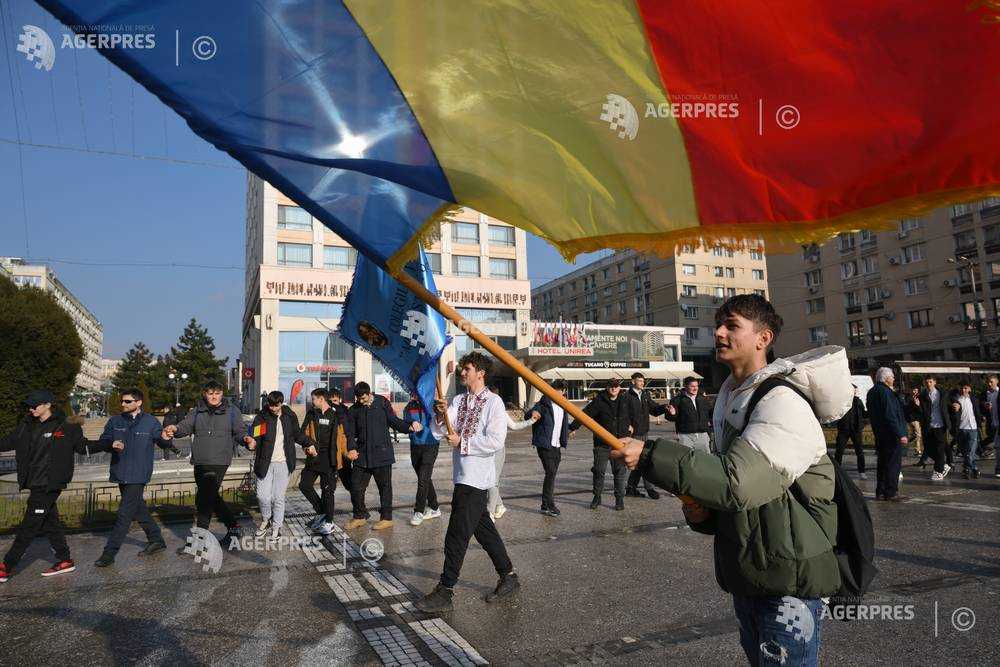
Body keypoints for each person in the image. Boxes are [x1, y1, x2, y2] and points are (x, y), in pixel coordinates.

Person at [613, 294, 840, 665]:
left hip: (789, 582)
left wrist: (651, 454)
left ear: (762, 338)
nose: (717, 332)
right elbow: (732, 494)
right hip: (752, 572)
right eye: (718, 324)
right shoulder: (731, 399)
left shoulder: (781, 401)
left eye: (731, 325)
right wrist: (701, 512)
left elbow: (737, 484)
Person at [415, 352, 518, 612]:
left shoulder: (494, 403)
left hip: (477, 480)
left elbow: (496, 441)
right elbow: (442, 431)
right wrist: (439, 416)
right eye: (462, 368)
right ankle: (509, 575)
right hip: (462, 476)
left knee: (456, 536)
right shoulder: (459, 400)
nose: (462, 372)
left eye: (467, 369)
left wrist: (464, 442)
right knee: (484, 531)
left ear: (481, 373)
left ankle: (445, 590)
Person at [0, 390, 87, 582]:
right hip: (33, 481)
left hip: (50, 483)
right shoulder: (26, 426)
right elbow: (6, 442)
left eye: (35, 405)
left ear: (48, 404)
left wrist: (111, 444)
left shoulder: (66, 426)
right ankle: (65, 560)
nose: (31, 409)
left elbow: (83, 447)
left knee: (29, 526)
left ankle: (6, 566)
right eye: (29, 406)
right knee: (50, 522)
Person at [90, 388, 178, 567]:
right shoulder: (115, 421)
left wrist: (166, 437)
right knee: (138, 509)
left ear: (138, 403)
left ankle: (109, 553)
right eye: (122, 401)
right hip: (120, 471)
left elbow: (162, 442)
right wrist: (110, 444)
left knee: (124, 514)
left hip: (139, 473)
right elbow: (103, 441)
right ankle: (156, 540)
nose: (123, 404)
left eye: (128, 401)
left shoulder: (150, 422)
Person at [163, 381, 254, 551]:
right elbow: (185, 427)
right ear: (205, 394)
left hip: (219, 460)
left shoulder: (232, 411)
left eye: (217, 393)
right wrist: (174, 428)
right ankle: (234, 528)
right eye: (210, 393)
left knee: (204, 500)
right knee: (211, 497)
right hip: (200, 460)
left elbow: (240, 431)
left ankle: (198, 542)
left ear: (222, 394)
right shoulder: (196, 410)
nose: (214, 397)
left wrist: (246, 439)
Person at [344, 382, 422, 530]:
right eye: (358, 399)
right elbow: (350, 433)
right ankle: (360, 515)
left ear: (369, 393)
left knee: (384, 487)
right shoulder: (354, 410)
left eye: (363, 398)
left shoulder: (382, 403)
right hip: (362, 455)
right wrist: (352, 448)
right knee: (355, 485)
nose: (361, 401)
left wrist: (410, 426)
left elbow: (394, 421)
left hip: (382, 454)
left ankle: (387, 518)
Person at [248, 391, 312, 538]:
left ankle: (277, 527)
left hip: (283, 462)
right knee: (262, 496)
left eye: (276, 405)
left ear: (281, 403)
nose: (273, 408)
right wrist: (251, 441)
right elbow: (255, 434)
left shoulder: (289, 416)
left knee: (278, 498)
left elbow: (297, 434)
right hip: (265, 462)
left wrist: (310, 443)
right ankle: (266, 519)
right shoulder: (263, 417)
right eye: (270, 405)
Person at [569, 378, 634, 511]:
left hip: (620, 443)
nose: (613, 388)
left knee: (620, 472)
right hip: (602, 443)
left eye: (616, 386)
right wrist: (573, 427)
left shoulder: (626, 400)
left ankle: (619, 499)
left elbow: (636, 414)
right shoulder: (599, 401)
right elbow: (585, 414)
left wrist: (634, 426)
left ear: (619, 388)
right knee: (599, 471)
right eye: (611, 386)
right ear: (607, 388)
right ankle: (597, 496)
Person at [300, 388, 353, 535]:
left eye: (314, 399)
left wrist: (347, 453)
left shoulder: (336, 414)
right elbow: (303, 433)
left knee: (328, 492)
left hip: (330, 460)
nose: (312, 401)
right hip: (314, 458)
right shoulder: (311, 413)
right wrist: (307, 446)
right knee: (304, 485)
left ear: (321, 399)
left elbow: (344, 436)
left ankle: (329, 522)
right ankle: (322, 513)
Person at [527, 379, 569, 516]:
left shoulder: (564, 405)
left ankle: (544, 505)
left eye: (560, 390)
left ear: (563, 392)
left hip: (557, 445)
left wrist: (568, 431)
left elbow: (563, 424)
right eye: (555, 389)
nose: (558, 392)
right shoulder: (544, 403)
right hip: (545, 445)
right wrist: (532, 414)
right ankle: (550, 504)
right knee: (550, 472)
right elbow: (530, 412)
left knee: (551, 474)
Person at [867, 368, 909, 501]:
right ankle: (891, 492)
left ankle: (880, 491)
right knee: (893, 464)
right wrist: (900, 433)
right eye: (892, 377)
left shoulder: (872, 391)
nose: (894, 379)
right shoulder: (886, 392)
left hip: (879, 432)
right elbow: (890, 414)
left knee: (882, 463)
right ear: (886, 378)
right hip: (891, 433)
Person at [623, 372, 668, 499]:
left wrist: (665, 407)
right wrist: (628, 425)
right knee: (644, 461)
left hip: (644, 432)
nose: (642, 383)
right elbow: (623, 413)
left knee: (639, 463)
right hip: (633, 434)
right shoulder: (626, 396)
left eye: (643, 381)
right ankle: (650, 489)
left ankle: (631, 488)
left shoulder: (645, 395)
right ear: (633, 382)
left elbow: (654, 410)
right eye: (639, 381)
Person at [403, 394, 443, 527]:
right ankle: (434, 507)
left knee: (423, 480)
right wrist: (411, 423)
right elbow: (405, 421)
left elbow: (442, 419)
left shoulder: (433, 404)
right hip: (415, 446)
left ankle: (418, 511)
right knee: (424, 478)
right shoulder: (410, 406)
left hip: (430, 445)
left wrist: (440, 411)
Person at [918, 377, 953, 481]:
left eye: (930, 382)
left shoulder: (942, 393)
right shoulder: (923, 395)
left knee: (940, 448)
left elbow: (950, 403)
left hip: (940, 424)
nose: (928, 384)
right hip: (928, 425)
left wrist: (957, 405)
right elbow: (920, 411)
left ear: (934, 382)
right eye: (927, 382)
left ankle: (938, 471)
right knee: (928, 449)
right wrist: (916, 406)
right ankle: (944, 464)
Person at [949, 382, 983, 479]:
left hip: (973, 428)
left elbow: (977, 411)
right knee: (965, 452)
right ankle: (975, 468)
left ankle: (966, 469)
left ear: (969, 389)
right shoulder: (956, 400)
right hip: (961, 429)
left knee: (970, 452)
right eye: (961, 388)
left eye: (965, 388)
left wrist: (981, 419)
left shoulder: (973, 399)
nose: (963, 390)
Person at [834, 385, 867, 479]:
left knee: (859, 451)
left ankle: (862, 471)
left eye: (856, 391)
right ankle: (837, 470)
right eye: (854, 391)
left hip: (855, 429)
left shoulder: (858, 401)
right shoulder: (843, 401)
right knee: (839, 450)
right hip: (844, 429)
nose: (855, 392)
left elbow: (863, 414)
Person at [980, 375, 998, 469]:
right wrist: (985, 405)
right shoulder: (985, 393)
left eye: (991, 382)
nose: (989, 384)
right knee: (991, 438)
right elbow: (980, 403)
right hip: (991, 421)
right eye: (988, 382)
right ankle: (982, 449)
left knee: (994, 439)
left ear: (997, 382)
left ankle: (983, 449)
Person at [904, 387, 923, 463]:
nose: (914, 391)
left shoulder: (919, 398)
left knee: (915, 435)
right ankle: (917, 450)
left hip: (915, 419)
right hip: (913, 419)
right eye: (913, 390)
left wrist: (918, 405)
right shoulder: (909, 398)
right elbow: (909, 408)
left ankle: (907, 441)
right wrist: (916, 404)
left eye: (915, 390)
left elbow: (920, 409)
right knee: (918, 435)